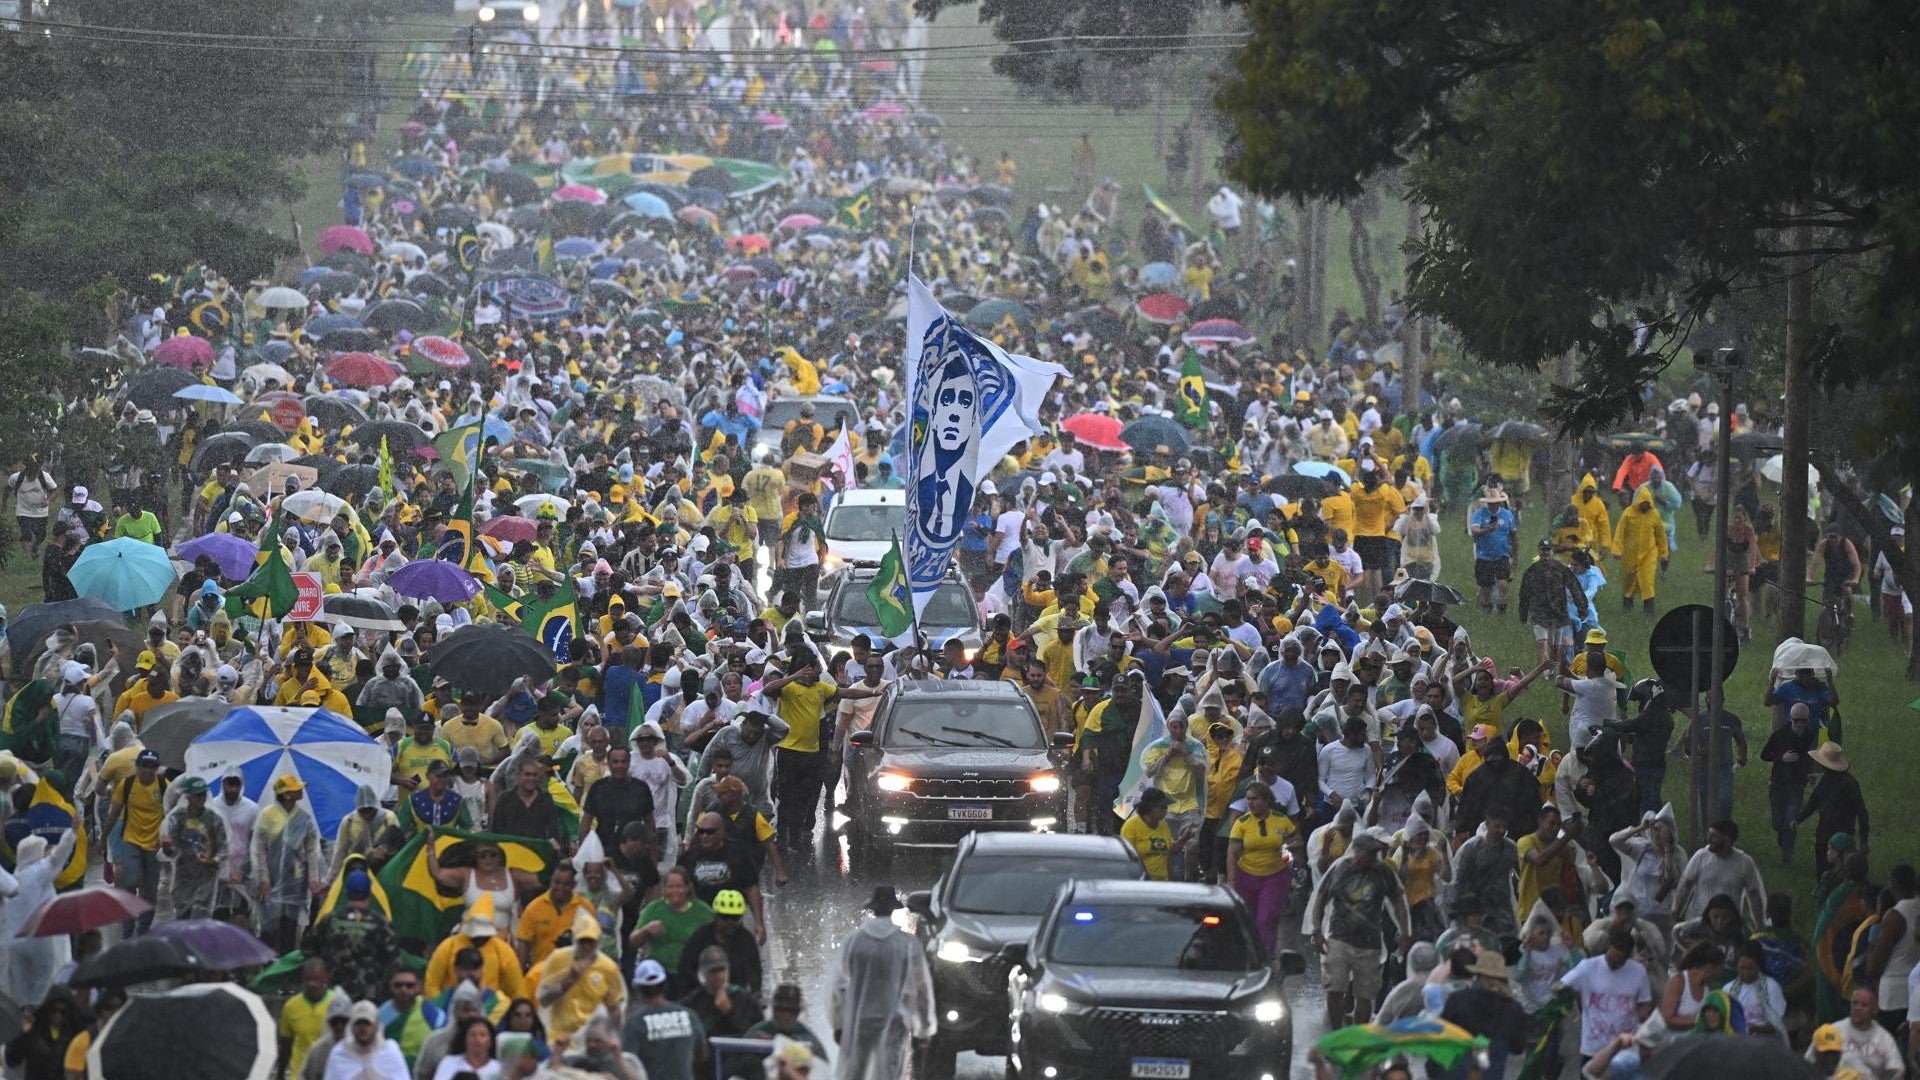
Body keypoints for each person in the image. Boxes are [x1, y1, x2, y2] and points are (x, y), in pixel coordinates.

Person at [829, 888, 935, 1080]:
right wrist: (923, 1027)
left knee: (856, 1073)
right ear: (894, 909)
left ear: (873, 909)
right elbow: (920, 988)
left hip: (860, 1023)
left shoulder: (854, 942)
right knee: (889, 1074)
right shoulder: (907, 944)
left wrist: (838, 1023)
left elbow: (839, 987)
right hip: (895, 1023)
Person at [1308, 829, 1411, 1027]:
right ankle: (1337, 1033)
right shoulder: (1340, 869)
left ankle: (1357, 1036)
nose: (1374, 857)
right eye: (1370, 853)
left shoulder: (1382, 871)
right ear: (1357, 852)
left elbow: (1398, 901)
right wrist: (1317, 932)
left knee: (1365, 995)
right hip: (1339, 938)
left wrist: (1405, 931)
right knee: (1335, 989)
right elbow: (1320, 899)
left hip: (1369, 942)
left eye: (1376, 853)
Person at [253, 774, 327, 953]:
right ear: (286, 794)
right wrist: (263, 879)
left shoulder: (304, 818)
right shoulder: (267, 815)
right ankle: (267, 963)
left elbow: (311, 851)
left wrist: (313, 880)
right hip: (271, 880)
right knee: (269, 927)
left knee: (290, 927)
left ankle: (285, 961)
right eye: (296, 789)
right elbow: (259, 850)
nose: (301, 791)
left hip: (295, 881)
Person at [1557, 930, 1654, 1068]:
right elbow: (1561, 986)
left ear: (1627, 958)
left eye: (1618, 961)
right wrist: (1562, 992)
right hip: (1594, 1048)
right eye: (1610, 958)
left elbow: (1645, 1003)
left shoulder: (1638, 971)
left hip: (1624, 1049)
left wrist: (1641, 1019)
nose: (1612, 963)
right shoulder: (1588, 966)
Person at [302, 870, 401, 1004]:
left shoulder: (330, 921)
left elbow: (308, 950)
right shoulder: (381, 923)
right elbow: (394, 961)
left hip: (334, 995)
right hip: (370, 997)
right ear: (369, 893)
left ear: (346, 893)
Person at [534, 911, 625, 1046]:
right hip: (558, 1038)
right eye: (582, 941)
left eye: (590, 942)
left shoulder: (608, 968)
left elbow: (614, 1008)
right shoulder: (557, 959)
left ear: (598, 942)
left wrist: (616, 1038)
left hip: (591, 1041)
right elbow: (544, 999)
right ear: (575, 940)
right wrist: (568, 981)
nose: (586, 947)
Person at [1227, 780, 1295, 954]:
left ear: (1265, 800)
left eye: (1254, 799)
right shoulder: (1241, 823)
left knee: (1266, 919)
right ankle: (1246, 954)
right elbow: (1232, 854)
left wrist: (1289, 852)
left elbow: (1295, 842)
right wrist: (1232, 882)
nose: (1250, 803)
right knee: (1247, 919)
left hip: (1275, 876)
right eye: (1248, 799)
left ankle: (1265, 956)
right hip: (1246, 875)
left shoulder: (1281, 820)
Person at [622, 959, 706, 1080]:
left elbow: (629, 1063)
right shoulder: (689, 1015)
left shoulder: (634, 1022)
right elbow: (702, 1054)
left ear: (638, 988)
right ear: (665, 985)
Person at [1806, 989, 1904, 1080]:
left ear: (1874, 1010)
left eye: (1864, 1005)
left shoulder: (1884, 1038)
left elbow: (1897, 1070)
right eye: (1855, 1003)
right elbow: (1808, 1062)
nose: (1858, 1008)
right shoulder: (1832, 1030)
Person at [278, 960, 342, 1080]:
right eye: (308, 979)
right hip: (299, 1074)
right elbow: (286, 1044)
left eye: (316, 979)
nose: (312, 984)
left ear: (326, 979)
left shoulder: (337, 1004)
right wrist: (280, 1074)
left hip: (328, 1073)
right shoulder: (291, 1006)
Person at [323, 1000, 409, 1080]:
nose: (362, 1028)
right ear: (351, 1026)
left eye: (366, 1023)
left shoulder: (390, 1050)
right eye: (358, 1024)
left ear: (376, 1025)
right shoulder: (339, 1052)